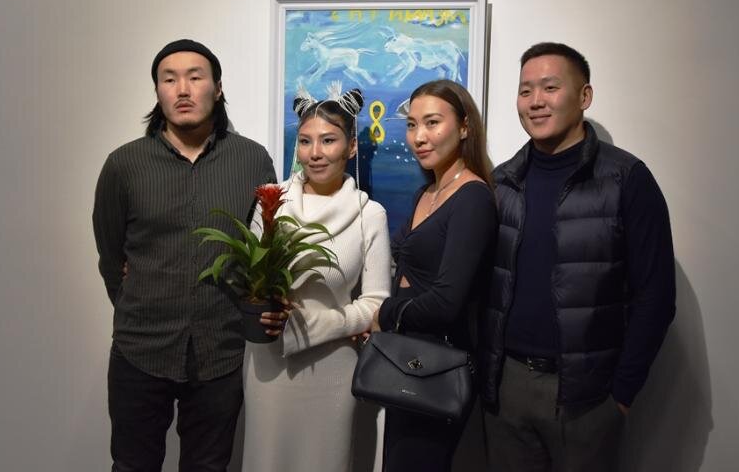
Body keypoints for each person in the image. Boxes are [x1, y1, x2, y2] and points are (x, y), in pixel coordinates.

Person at [480, 42, 676, 471]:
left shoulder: (626, 179)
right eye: (525, 90)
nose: (535, 101)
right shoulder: (503, 182)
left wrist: (620, 395)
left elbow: (656, 296)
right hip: (507, 387)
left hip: (587, 398)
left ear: (584, 96)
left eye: (550, 87)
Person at [92, 39, 276, 472]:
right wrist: (138, 305)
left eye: (195, 77)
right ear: (157, 91)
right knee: (132, 465)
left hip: (221, 349)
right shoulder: (124, 165)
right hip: (141, 349)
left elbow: (264, 248)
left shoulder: (252, 160)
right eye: (169, 79)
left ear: (218, 87)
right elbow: (110, 256)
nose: (183, 89)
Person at [240, 84, 392, 471]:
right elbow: (252, 281)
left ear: (351, 147)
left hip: (332, 369)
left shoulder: (369, 215)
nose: (315, 152)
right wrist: (260, 305)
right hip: (269, 365)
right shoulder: (272, 203)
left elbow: (377, 303)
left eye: (328, 140)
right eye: (305, 141)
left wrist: (314, 324)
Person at [371, 79, 497, 471]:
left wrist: (383, 314)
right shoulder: (425, 193)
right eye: (412, 125)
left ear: (464, 127)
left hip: (437, 365)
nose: (419, 137)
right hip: (406, 359)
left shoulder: (473, 198)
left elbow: (446, 302)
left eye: (432, 123)